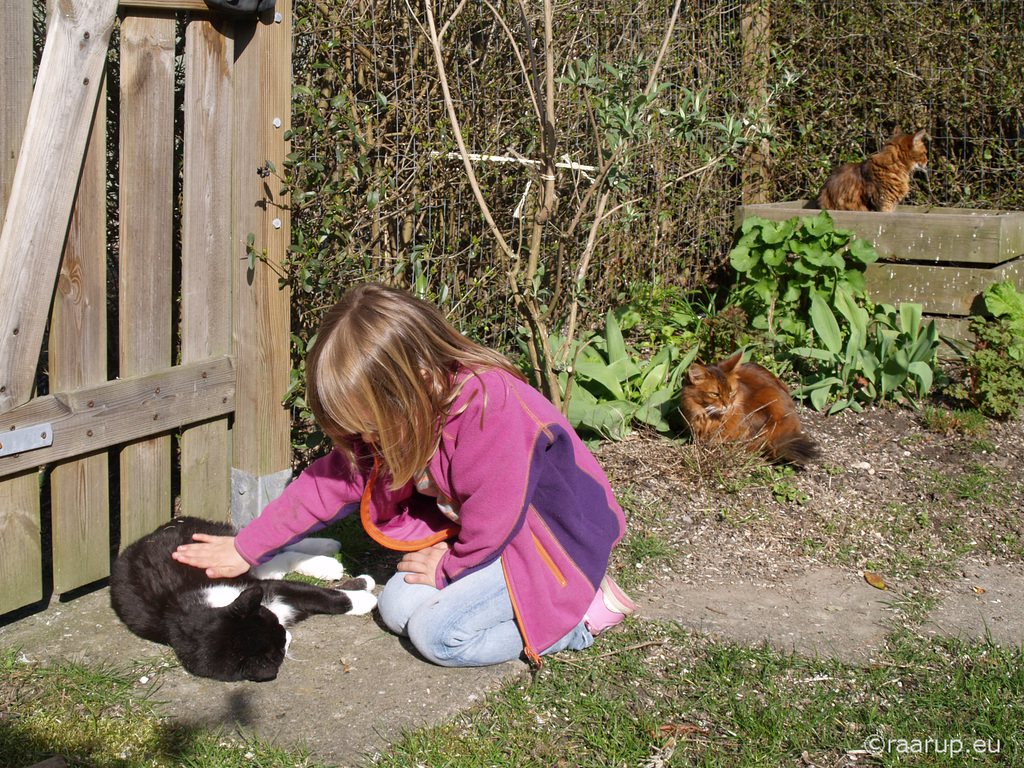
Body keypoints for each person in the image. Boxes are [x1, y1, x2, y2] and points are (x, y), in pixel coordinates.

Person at [172, 282, 635, 667]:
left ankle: (579, 617)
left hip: (549, 541)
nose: (366, 440)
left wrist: (451, 565)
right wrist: (245, 545)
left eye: (370, 425)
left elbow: (496, 515)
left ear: (420, 378)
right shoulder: (402, 411)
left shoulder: (490, 409)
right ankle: (528, 602)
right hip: (486, 537)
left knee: (439, 638)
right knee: (395, 610)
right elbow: (330, 482)